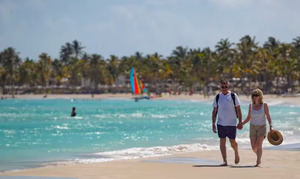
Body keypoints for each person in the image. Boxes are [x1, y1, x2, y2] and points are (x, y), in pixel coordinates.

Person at [212, 80, 243, 166]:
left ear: (228, 87)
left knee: (232, 141)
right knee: (222, 141)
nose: (224, 88)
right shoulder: (218, 97)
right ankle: (225, 161)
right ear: (220, 88)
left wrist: (240, 122)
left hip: (232, 123)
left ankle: (236, 152)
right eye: (223, 87)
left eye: (226, 87)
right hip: (221, 123)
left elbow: (238, 109)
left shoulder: (233, 96)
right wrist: (213, 124)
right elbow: (214, 111)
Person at [241, 88, 273, 167]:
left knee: (259, 145)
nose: (255, 97)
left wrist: (271, 126)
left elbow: (268, 116)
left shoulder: (264, 105)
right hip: (252, 127)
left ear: (260, 96)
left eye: (257, 95)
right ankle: (259, 154)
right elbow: (249, 117)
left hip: (262, 127)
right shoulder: (250, 106)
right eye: (254, 95)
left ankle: (258, 161)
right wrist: (242, 123)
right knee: (253, 146)